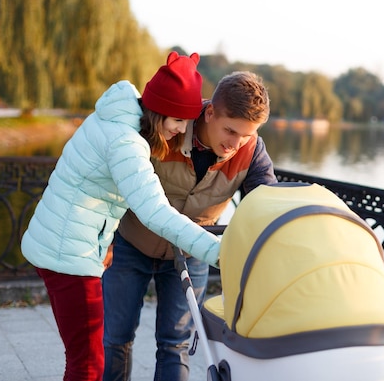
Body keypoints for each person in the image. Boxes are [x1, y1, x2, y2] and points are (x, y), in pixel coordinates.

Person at [21, 51, 220, 381]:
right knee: (87, 364)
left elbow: (97, 193)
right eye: (179, 120)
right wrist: (217, 252)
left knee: (83, 355)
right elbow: (155, 212)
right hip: (70, 257)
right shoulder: (125, 143)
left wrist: (105, 241)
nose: (183, 129)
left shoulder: (115, 116)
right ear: (159, 112)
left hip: (59, 244)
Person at [102, 71, 277, 381]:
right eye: (230, 130)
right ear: (209, 112)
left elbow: (266, 202)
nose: (236, 144)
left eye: (247, 135)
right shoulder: (167, 125)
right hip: (131, 244)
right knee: (117, 339)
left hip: (193, 250)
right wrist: (104, 237)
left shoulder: (251, 151)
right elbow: (116, 179)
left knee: (175, 345)